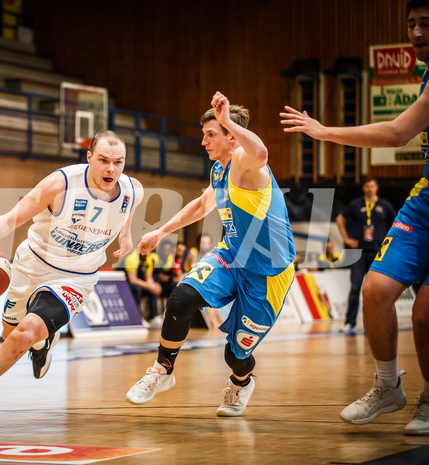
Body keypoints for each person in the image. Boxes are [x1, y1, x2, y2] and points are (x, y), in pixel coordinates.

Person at [0, 130, 144, 433]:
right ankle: (44, 341)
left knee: (21, 336)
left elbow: (125, 210)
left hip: (76, 279)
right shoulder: (59, 184)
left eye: (118, 162)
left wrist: (126, 232)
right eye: (103, 160)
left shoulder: (132, 190)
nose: (111, 169)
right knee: (9, 334)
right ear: (89, 158)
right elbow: (12, 218)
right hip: (32, 265)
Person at [279, 0, 429, 435]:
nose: (417, 32)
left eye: (426, 24)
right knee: (376, 289)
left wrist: (325, 132)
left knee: (423, 315)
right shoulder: (425, 75)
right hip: (424, 198)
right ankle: (387, 387)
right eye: (411, 24)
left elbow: (398, 132)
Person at [125, 92, 296, 418]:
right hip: (232, 256)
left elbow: (261, 152)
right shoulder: (218, 170)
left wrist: (228, 119)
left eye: (210, 134)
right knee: (180, 299)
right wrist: (161, 232)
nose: (202, 141)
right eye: (203, 134)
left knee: (236, 356)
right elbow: (202, 205)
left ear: (232, 137)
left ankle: (241, 383)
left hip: (267, 271)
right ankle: (162, 370)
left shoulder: (247, 165)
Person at [336, 178, 395, 332]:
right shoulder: (356, 205)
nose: (369, 189)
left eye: (372, 186)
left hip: (377, 253)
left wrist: (389, 242)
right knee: (355, 287)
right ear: (363, 188)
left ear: (377, 188)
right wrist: (347, 239)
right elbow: (340, 218)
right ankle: (350, 322)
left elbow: (396, 224)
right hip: (359, 253)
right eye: (367, 186)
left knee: (378, 290)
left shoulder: (384, 206)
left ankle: (379, 323)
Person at [123, 248, 162, 325]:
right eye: (145, 251)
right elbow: (132, 280)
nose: (148, 253)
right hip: (125, 285)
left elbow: (149, 278)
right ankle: (137, 317)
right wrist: (149, 285)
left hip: (138, 283)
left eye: (149, 251)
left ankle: (153, 317)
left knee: (152, 290)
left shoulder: (148, 259)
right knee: (137, 289)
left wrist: (154, 286)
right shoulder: (131, 258)